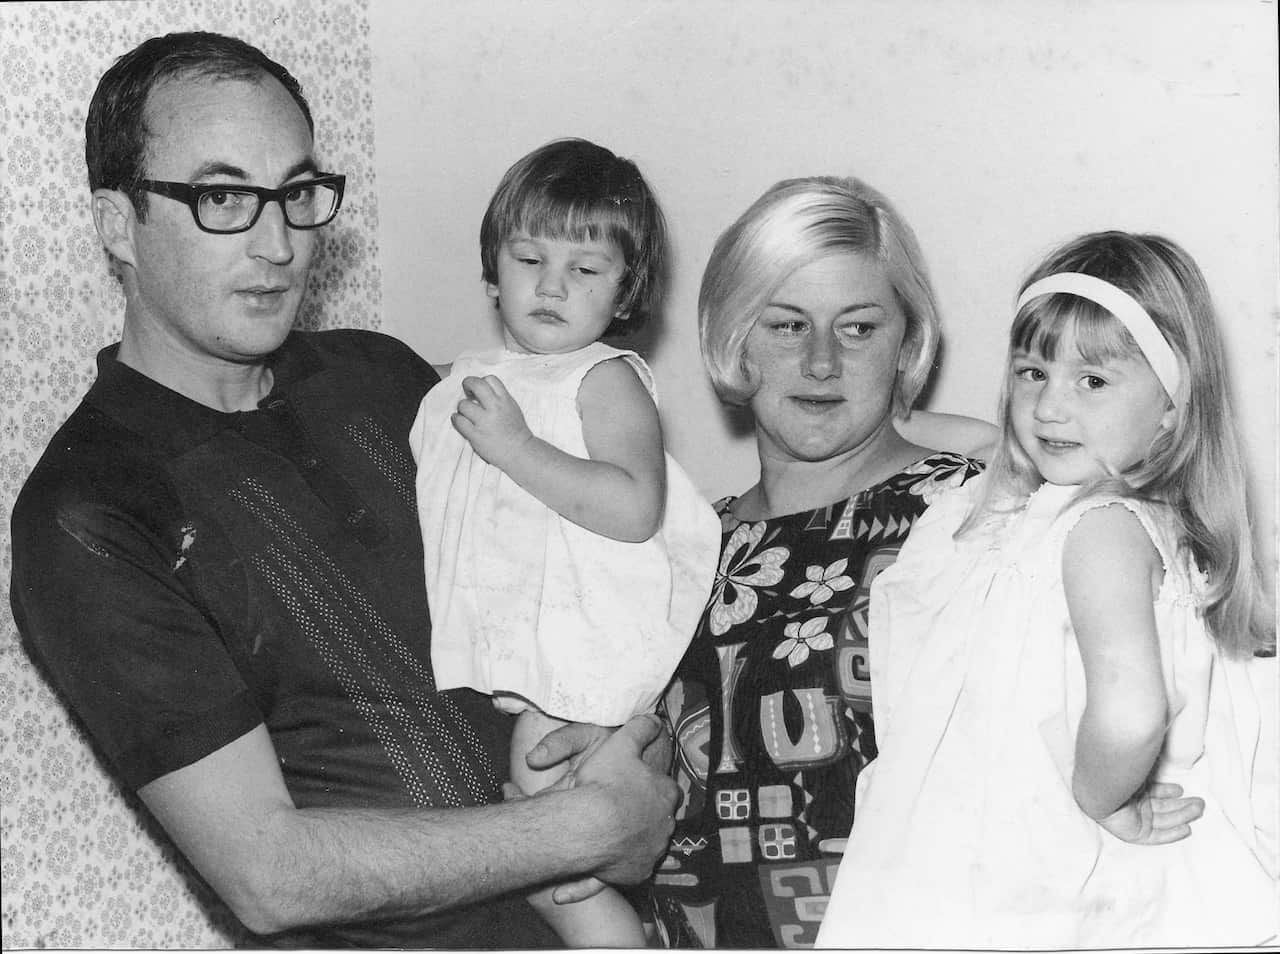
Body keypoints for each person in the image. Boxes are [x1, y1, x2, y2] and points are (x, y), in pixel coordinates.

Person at [9, 31, 678, 949]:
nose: (280, 242)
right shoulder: (90, 512)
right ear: (116, 223)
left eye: (295, 192)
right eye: (223, 197)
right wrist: (602, 824)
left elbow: (587, 543)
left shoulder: (380, 373)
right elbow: (268, 877)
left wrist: (632, 742)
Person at [816, 231, 1278, 949]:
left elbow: (1130, 714)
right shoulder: (1058, 511)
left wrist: (1103, 798)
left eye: (1092, 382)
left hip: (1048, 859)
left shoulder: (1101, 533)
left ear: (1172, 407)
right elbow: (979, 439)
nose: (1050, 408)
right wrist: (886, 417)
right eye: (1032, 373)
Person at [646, 175, 997, 948]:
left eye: (859, 328)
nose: (820, 363)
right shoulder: (684, 546)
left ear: (908, 341)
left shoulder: (969, 514)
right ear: (733, 336)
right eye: (786, 325)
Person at [409, 138, 720, 945]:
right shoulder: (469, 379)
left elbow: (632, 507)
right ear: (491, 273)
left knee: (542, 808)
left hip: (592, 638)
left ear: (625, 291)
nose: (552, 284)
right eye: (528, 258)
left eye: (585, 269)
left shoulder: (603, 378)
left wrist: (515, 448)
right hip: (535, 638)